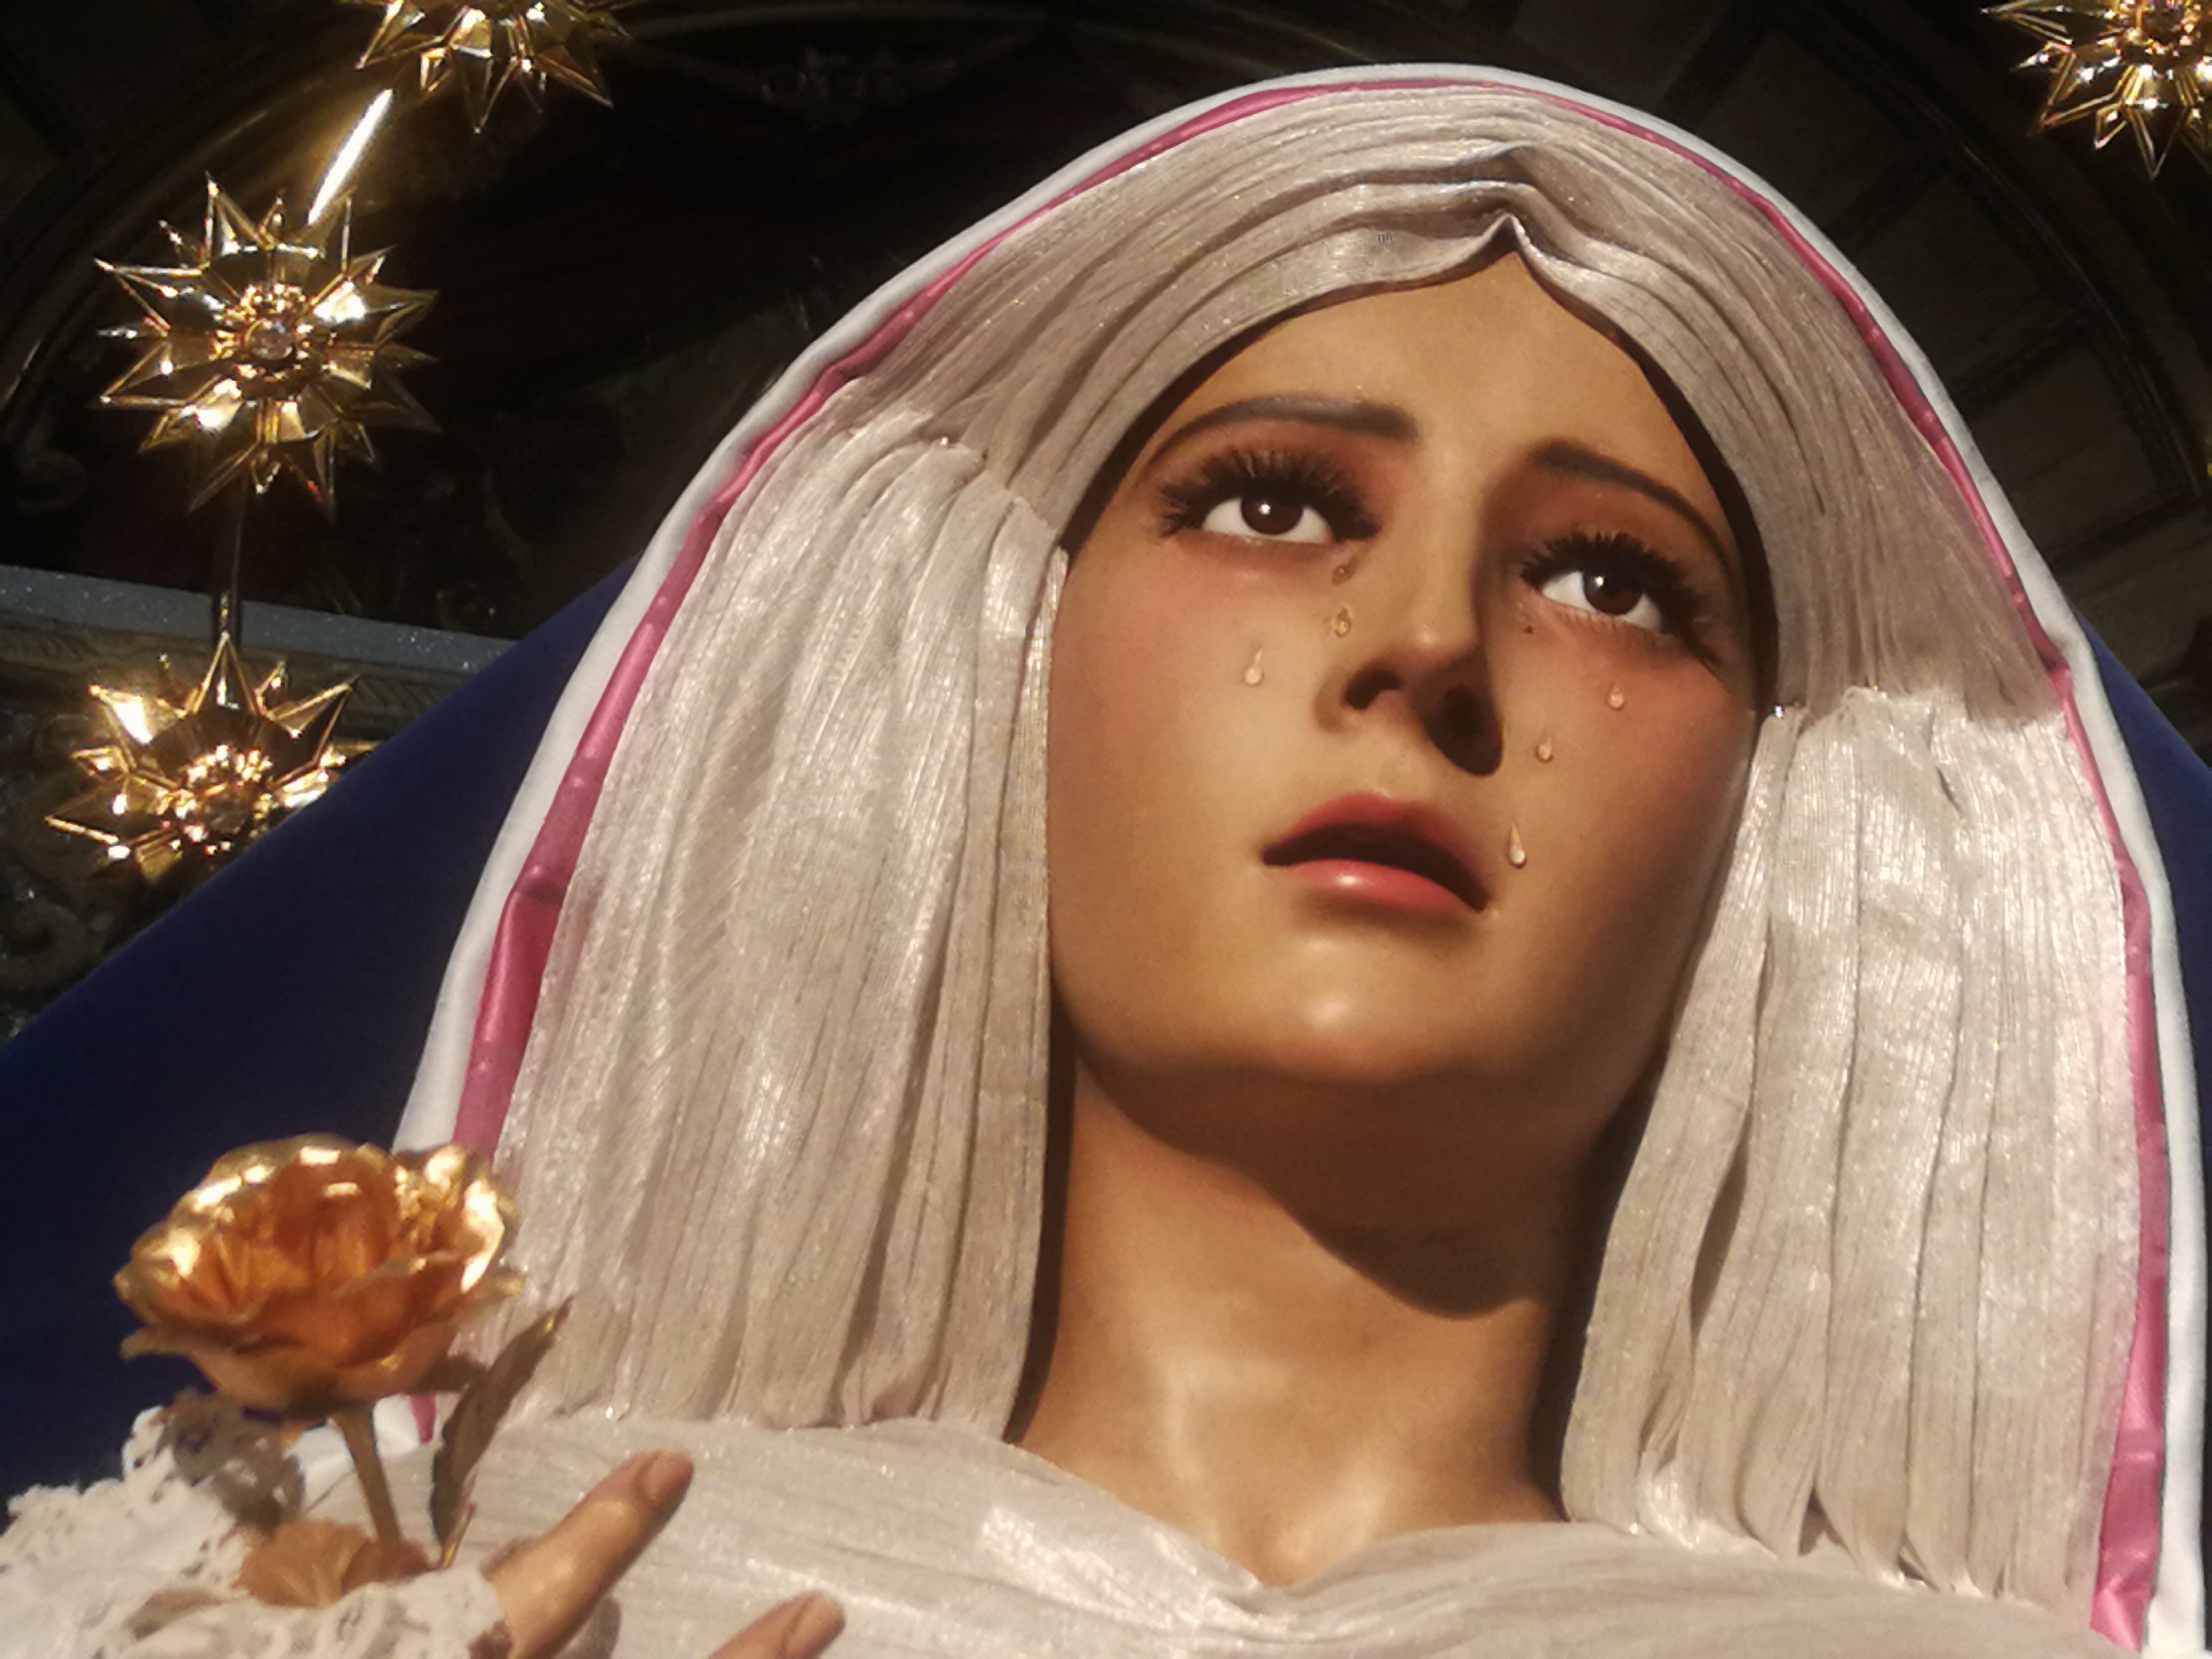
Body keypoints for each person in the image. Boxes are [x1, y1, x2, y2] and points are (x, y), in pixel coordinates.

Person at [2, 65, 2201, 1658]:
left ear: (1782, 821)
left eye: (1609, 581)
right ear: (990, 671)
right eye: (1273, 504)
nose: (1426, 643)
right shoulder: (356, 1597)